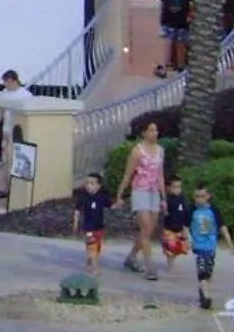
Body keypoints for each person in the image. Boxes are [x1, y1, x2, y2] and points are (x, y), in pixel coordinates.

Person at [121, 116, 165, 276]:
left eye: (156, 130)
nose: (155, 133)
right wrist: (120, 194)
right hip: (140, 190)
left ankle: (131, 257)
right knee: (145, 226)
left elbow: (160, 175)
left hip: (154, 192)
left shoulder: (160, 151)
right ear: (144, 132)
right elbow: (128, 173)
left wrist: (164, 196)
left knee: (148, 231)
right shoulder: (137, 151)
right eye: (151, 130)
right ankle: (150, 266)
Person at [188, 183, 226, 310]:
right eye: (197, 196)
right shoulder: (192, 210)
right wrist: (188, 239)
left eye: (202, 196)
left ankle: (203, 292)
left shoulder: (213, 210)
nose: (199, 199)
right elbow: (185, 226)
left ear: (208, 196)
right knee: (202, 271)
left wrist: (230, 243)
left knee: (208, 272)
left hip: (211, 246)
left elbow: (222, 226)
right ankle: (207, 297)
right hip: (199, 246)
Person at [0, 70, 24, 199]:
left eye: (6, 82)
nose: (5, 84)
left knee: (16, 159)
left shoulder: (25, 95)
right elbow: (1, 110)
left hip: (18, 131)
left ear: (13, 80)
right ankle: (6, 188)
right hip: (6, 130)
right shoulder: (5, 94)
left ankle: (17, 188)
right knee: (5, 159)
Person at [156, 0, 195, 72]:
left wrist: (190, 16)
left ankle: (181, 66)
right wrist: (160, 18)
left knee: (180, 43)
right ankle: (165, 65)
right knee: (166, 42)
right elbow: (162, 2)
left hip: (182, 19)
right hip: (168, 19)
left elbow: (192, 3)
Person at [71, 171, 112, 273]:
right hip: (88, 227)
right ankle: (95, 267)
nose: (89, 186)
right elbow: (77, 210)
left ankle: (91, 259)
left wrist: (118, 204)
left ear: (98, 186)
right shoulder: (83, 197)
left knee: (97, 246)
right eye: (87, 183)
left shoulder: (101, 197)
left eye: (92, 184)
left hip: (99, 226)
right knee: (91, 244)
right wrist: (75, 222)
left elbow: (110, 205)